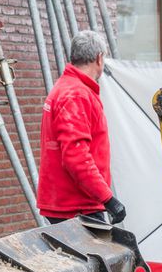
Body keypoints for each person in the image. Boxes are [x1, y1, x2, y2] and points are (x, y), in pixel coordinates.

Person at [37, 29, 126, 224]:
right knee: (98, 254)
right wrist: (108, 199)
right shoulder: (76, 95)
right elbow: (76, 156)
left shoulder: (66, 88)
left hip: (70, 203)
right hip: (77, 205)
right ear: (99, 58)